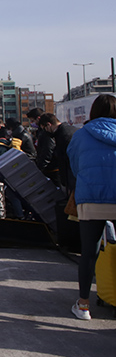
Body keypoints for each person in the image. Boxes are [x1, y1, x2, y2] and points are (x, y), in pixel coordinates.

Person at [66, 94, 116, 320]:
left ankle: (83, 304)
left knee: (89, 253)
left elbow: (75, 166)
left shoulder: (81, 134)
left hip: (91, 197)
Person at [38, 113, 77, 191]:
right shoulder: (69, 129)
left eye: (45, 128)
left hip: (71, 174)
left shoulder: (62, 135)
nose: (46, 131)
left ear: (49, 125)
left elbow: (65, 158)